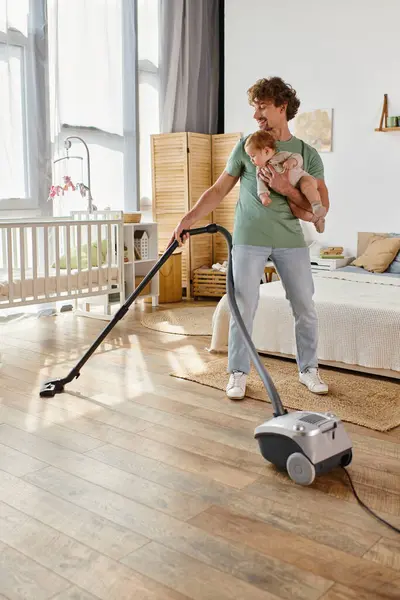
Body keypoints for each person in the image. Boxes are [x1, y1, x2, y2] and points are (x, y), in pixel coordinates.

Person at [169, 76, 330, 399]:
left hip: (290, 241)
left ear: (282, 108)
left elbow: (319, 208)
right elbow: (218, 190)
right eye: (254, 110)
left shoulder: (306, 154)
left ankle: (308, 369)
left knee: (304, 307)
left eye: (263, 109)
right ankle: (238, 373)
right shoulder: (247, 146)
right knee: (243, 306)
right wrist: (187, 218)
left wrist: (284, 188)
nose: (257, 116)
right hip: (248, 239)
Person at [244, 130, 326, 233]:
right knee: (295, 209)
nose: (251, 160)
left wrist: (292, 161)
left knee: (306, 186)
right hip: (292, 192)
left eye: (252, 156)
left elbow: (298, 157)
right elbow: (260, 183)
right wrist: (263, 196)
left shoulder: (281, 155)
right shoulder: (260, 170)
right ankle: (316, 220)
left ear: (266, 151)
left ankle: (316, 205)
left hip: (302, 179)